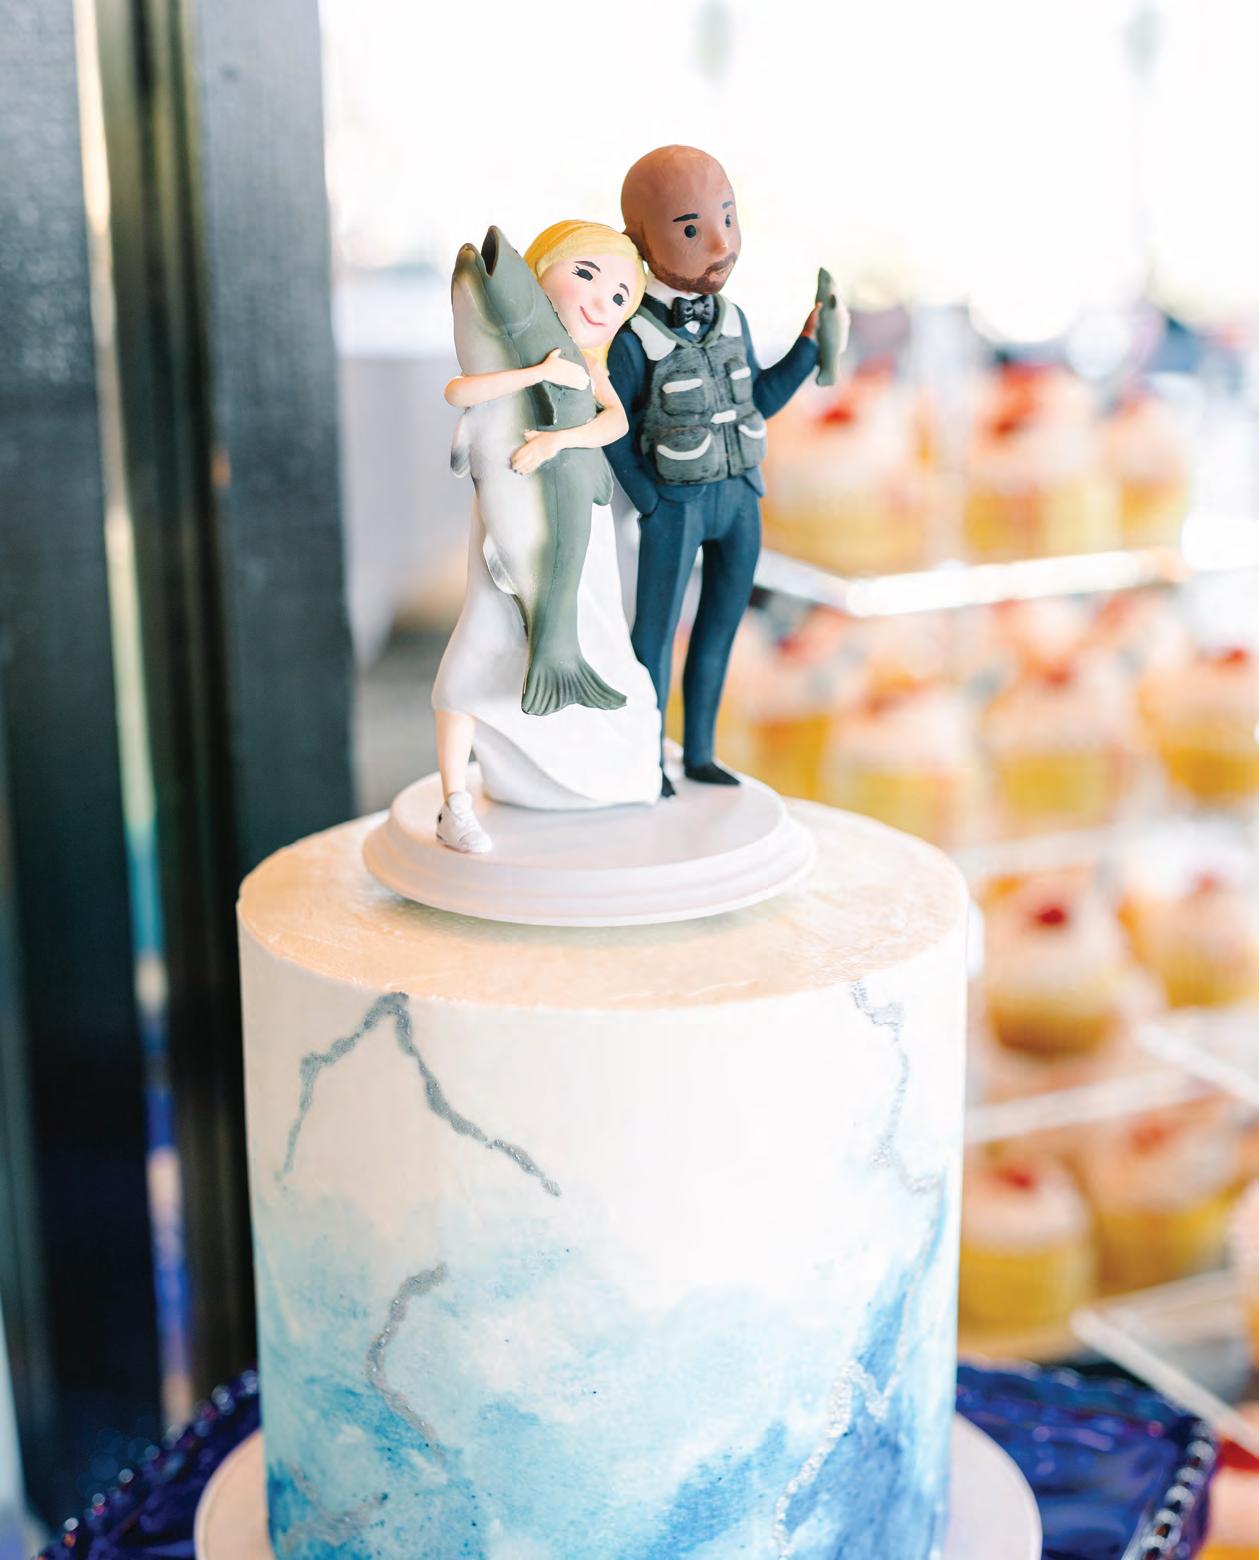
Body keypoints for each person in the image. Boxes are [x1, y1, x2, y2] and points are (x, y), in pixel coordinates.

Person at [607, 145, 831, 795]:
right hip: (674, 505)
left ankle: (700, 751)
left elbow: (757, 398)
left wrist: (808, 347)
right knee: (655, 638)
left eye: (727, 218)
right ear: (638, 241)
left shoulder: (734, 319)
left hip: (740, 502)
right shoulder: (631, 337)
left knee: (721, 630)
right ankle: (646, 760)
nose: (720, 243)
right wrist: (646, 496)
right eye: (690, 229)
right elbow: (610, 425)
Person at [432, 221, 662, 853]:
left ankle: (594, 758)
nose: (600, 300)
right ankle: (454, 802)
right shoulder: (521, 358)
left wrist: (560, 440)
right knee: (473, 651)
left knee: (595, 632)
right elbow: (459, 391)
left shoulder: (592, 367)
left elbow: (614, 423)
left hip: (579, 525)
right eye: (585, 274)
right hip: (505, 527)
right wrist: (534, 374)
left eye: (620, 296)